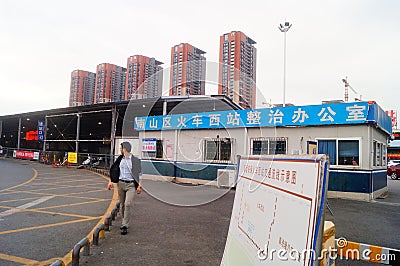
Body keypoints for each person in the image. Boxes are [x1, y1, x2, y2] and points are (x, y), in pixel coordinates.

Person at [107, 142, 142, 235]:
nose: (120, 150)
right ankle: (124, 220)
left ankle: (124, 225)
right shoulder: (119, 159)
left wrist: (139, 185)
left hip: (131, 185)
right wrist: (111, 181)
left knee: (127, 204)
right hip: (120, 183)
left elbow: (139, 174)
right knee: (122, 204)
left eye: (121, 148)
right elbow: (113, 170)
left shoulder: (135, 160)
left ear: (125, 149)